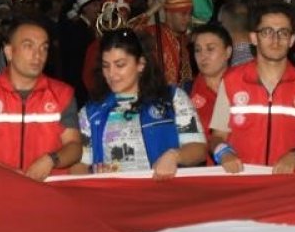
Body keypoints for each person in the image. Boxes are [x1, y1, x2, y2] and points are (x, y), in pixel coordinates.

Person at [0, 19, 82, 180]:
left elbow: (74, 147)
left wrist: (52, 159)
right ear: (8, 52)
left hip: (48, 192)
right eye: (28, 46)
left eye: (44, 48)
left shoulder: (62, 94)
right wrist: (3, 171)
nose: (38, 55)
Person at [74, 29, 206, 178]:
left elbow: (199, 150)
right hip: (113, 197)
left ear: (141, 64)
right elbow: (78, 166)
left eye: (120, 65)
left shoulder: (172, 99)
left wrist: (175, 156)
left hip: (163, 195)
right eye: (106, 66)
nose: (111, 74)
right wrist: (94, 175)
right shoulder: (92, 112)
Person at [209, 3, 295, 174]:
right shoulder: (232, 81)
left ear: (292, 40)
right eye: (267, 32)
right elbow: (216, 137)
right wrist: (223, 153)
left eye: (283, 33)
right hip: (242, 184)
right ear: (254, 38)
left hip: (289, 189)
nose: (275, 40)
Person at [187, 23, 233, 139]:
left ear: (228, 52)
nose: (203, 56)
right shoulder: (186, 93)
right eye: (198, 50)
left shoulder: (244, 86)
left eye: (210, 49)